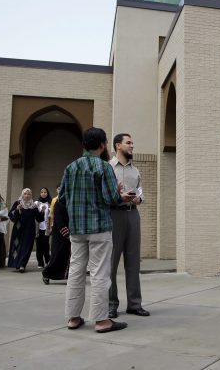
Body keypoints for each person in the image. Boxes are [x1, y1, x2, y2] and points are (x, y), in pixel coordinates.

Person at [60, 127, 133, 333]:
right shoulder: (103, 168)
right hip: (99, 226)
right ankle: (102, 321)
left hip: (76, 229)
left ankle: (73, 318)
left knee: (76, 271)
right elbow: (111, 198)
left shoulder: (70, 167)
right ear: (102, 145)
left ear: (84, 144)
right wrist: (121, 195)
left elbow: (63, 198)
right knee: (100, 273)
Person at [108, 133, 149, 318]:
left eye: (133, 142)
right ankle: (111, 304)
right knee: (111, 262)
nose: (132, 146)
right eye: (128, 143)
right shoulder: (108, 168)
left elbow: (142, 193)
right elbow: (103, 194)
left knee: (133, 262)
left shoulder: (136, 171)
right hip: (114, 215)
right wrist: (118, 197)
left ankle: (134, 304)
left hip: (133, 215)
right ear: (118, 146)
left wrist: (139, 199)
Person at [8, 188, 44, 273]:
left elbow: (39, 218)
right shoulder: (18, 203)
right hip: (18, 229)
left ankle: (22, 265)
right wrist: (17, 209)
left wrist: (42, 211)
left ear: (31, 195)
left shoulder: (33, 205)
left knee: (27, 247)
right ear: (22, 194)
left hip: (29, 229)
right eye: (25, 194)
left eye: (28, 194)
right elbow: (11, 216)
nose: (27, 196)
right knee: (17, 246)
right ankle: (16, 263)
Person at [42, 199, 71, 284]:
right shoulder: (59, 203)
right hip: (59, 234)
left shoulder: (71, 201)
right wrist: (65, 232)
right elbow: (58, 220)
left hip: (70, 233)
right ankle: (47, 274)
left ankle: (66, 275)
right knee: (57, 255)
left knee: (67, 256)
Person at [35, 187, 52, 268]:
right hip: (38, 228)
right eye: (42, 192)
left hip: (47, 228)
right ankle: (40, 262)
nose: (43, 193)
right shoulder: (36, 203)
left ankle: (48, 260)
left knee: (45, 244)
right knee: (39, 245)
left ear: (47, 193)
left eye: (45, 192)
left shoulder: (50, 203)